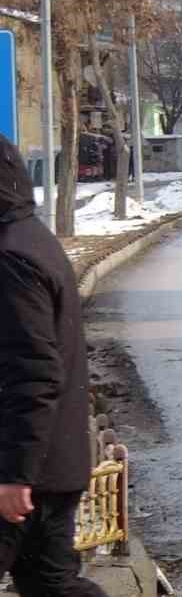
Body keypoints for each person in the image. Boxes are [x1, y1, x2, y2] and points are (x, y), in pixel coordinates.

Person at [0, 134, 110, 597]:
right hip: (52, 460)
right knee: (51, 585)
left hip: (27, 474)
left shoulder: (10, 257)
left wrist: (15, 474)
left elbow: (34, 371)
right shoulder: (30, 238)